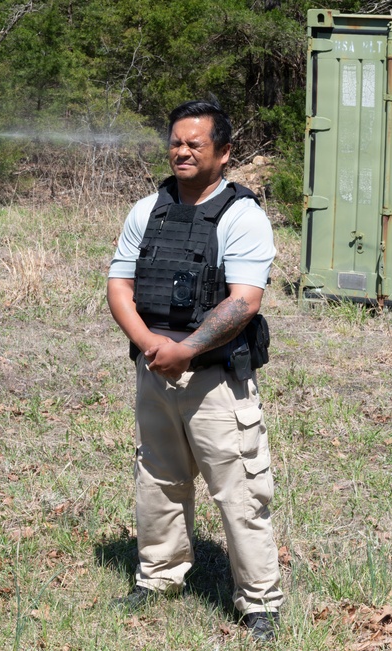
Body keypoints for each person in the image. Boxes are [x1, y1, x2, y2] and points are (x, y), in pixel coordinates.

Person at [106, 99, 283, 642]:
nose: (182, 152)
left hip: (214, 380)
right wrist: (151, 345)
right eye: (176, 142)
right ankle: (158, 576)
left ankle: (259, 602)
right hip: (155, 372)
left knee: (240, 491)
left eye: (195, 144)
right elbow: (119, 286)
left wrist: (187, 350)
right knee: (158, 478)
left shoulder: (242, 216)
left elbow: (243, 303)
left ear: (223, 154)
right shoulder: (147, 210)